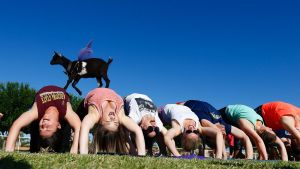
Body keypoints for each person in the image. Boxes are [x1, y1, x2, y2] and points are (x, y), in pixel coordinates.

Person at [5, 85, 81, 154]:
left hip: (38, 110)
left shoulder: (36, 112)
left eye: (41, 127)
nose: (44, 124)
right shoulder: (66, 112)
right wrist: (74, 151)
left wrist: (8, 153)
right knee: (68, 123)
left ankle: (34, 150)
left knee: (34, 122)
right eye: (47, 128)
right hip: (63, 121)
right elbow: (78, 126)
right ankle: (62, 150)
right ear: (58, 125)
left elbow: (17, 125)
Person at [79, 88, 145, 155]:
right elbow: (137, 130)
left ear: (100, 122)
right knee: (124, 132)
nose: (112, 117)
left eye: (108, 121)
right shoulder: (120, 116)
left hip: (82, 108)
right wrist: (141, 155)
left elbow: (85, 127)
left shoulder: (95, 114)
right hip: (108, 90)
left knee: (77, 126)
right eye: (116, 123)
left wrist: (83, 154)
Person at [183, 100, 253, 159]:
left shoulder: (211, 124)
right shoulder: (222, 125)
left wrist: (249, 157)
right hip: (191, 103)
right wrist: (223, 155)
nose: (223, 133)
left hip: (191, 104)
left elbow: (245, 137)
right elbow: (245, 137)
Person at [219, 104, 288, 161]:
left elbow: (259, 140)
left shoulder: (248, 126)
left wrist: (265, 159)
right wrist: (285, 161)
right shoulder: (261, 124)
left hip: (224, 114)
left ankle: (222, 155)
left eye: (270, 130)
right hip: (233, 110)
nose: (271, 128)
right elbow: (280, 143)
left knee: (221, 131)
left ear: (262, 131)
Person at [159, 104, 224, 159]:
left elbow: (167, 137)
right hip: (181, 105)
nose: (192, 128)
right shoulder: (199, 128)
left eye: (189, 131)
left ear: (183, 134)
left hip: (162, 112)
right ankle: (163, 152)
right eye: (195, 132)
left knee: (158, 129)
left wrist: (177, 156)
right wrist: (219, 156)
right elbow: (218, 133)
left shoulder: (178, 127)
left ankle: (163, 152)